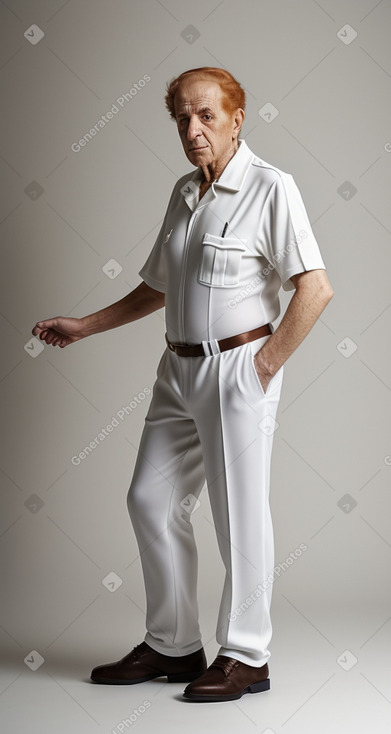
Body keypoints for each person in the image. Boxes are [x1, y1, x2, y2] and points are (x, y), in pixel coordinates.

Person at [32, 67, 334, 703]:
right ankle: (173, 644)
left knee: (238, 515)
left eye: (205, 116)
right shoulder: (185, 192)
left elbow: (315, 288)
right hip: (176, 370)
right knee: (150, 498)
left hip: (238, 369)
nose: (192, 130)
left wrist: (265, 365)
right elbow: (159, 285)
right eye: (181, 120)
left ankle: (247, 656)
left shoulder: (271, 188)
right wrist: (86, 325)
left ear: (236, 117)